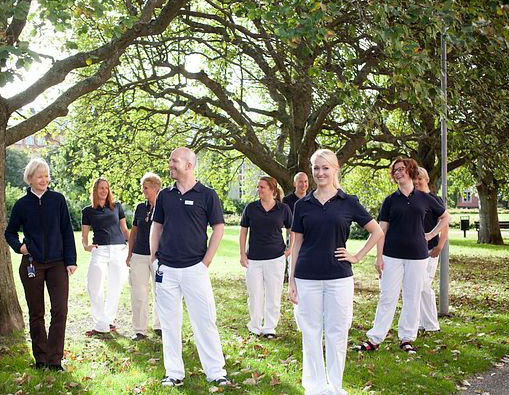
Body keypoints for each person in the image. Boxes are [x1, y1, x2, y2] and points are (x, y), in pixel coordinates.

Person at [288, 149, 383, 395]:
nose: (320, 173)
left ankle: (335, 387)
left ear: (335, 169)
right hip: (307, 276)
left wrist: (357, 256)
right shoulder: (302, 205)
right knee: (310, 333)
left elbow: (377, 231)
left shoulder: (348, 202)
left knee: (337, 332)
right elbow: (296, 243)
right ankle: (314, 387)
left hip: (339, 277)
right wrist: (291, 281)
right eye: (316, 168)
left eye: (325, 168)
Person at [150, 147, 230, 387]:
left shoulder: (207, 195)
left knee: (205, 321)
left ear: (189, 165)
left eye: (174, 161)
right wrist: (154, 259)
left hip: (195, 268)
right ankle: (174, 373)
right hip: (167, 270)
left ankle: (216, 372)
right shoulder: (165, 195)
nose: (170, 165)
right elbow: (157, 226)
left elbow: (218, 228)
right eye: (169, 160)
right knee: (169, 323)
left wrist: (206, 261)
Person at [358, 158, 450, 354]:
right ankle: (375, 338)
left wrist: (431, 234)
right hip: (392, 255)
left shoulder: (424, 198)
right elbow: (381, 229)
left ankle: (407, 338)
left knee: (412, 297)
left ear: (410, 171)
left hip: (418, 256)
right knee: (387, 297)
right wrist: (379, 257)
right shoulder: (390, 201)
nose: (398, 172)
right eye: (395, 170)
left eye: (401, 169)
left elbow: (446, 217)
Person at [5, 157, 77, 370]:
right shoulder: (21, 204)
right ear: (30, 178)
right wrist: (20, 247)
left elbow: (66, 230)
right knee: (36, 312)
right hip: (32, 263)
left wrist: (71, 261)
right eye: (39, 176)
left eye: (46, 176)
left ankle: (55, 360)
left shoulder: (58, 200)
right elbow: (9, 232)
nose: (44, 180)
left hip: (57, 264)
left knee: (60, 310)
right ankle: (41, 359)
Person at [238, 176, 292, 339]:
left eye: (262, 187)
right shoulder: (251, 208)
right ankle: (254, 325)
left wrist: (290, 248)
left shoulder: (283, 209)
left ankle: (269, 327)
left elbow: (292, 229)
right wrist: (242, 253)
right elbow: (243, 231)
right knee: (255, 294)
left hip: (276, 258)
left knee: (274, 294)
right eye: (258, 187)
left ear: (272, 190)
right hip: (254, 258)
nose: (258, 190)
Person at [81, 177, 129, 336]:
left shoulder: (117, 207)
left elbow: (124, 229)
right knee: (93, 284)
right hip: (99, 250)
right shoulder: (88, 211)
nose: (104, 191)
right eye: (101, 188)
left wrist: (130, 245)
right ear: (95, 190)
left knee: (115, 285)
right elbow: (84, 235)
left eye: (106, 188)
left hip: (118, 249)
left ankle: (109, 321)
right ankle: (100, 321)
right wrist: (86, 246)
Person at [126, 173, 162, 340]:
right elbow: (133, 233)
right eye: (143, 187)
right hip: (139, 255)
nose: (143, 191)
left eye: (146, 188)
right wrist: (129, 254)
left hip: (159, 257)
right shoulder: (140, 207)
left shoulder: (165, 206)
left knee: (160, 292)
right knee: (139, 292)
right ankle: (140, 330)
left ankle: (160, 326)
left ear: (156, 188)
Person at [414, 167, 448, 333]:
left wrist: (439, 246)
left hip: (431, 249)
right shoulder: (414, 200)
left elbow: (445, 224)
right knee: (419, 287)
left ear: (426, 179)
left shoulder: (435, 200)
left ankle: (430, 324)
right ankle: (424, 323)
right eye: (414, 180)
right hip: (415, 251)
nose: (417, 182)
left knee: (423, 285)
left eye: (419, 179)